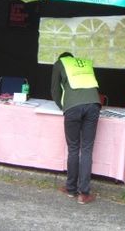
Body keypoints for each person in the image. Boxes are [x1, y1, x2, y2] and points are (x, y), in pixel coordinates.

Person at [51, 52, 101, 204]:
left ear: (63, 59)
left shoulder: (60, 64)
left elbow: (55, 90)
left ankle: (71, 189)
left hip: (72, 108)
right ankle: (84, 194)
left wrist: (63, 106)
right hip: (93, 105)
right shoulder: (85, 63)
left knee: (73, 148)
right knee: (86, 149)